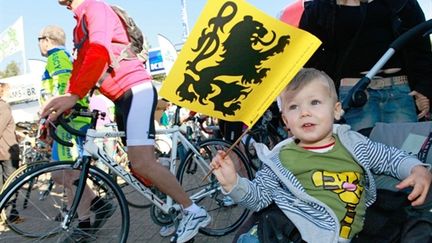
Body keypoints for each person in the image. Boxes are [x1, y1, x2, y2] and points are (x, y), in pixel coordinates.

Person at [41, 1, 210, 242]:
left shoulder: (94, 7)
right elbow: (80, 67)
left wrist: (74, 95)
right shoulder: (79, 22)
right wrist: (69, 100)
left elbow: (99, 51)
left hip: (136, 89)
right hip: (120, 97)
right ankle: (172, 205)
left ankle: (193, 211)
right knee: (138, 165)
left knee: (142, 162)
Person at [210, 68, 432, 243]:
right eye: (294, 107)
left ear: (336, 110)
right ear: (286, 121)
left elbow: (391, 158)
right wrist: (233, 183)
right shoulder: (279, 160)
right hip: (297, 232)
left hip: (352, 232)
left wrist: (416, 169)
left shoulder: (354, 144)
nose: (305, 112)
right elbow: (258, 198)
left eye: (315, 102)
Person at [297, 0, 432, 133]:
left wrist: (423, 88)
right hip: (355, 93)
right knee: (362, 152)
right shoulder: (319, 9)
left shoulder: (402, 3)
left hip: (400, 90)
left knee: (406, 150)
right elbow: (307, 54)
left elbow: (420, 45)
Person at [38, 24, 114, 237]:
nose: (39, 45)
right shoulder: (61, 56)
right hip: (71, 120)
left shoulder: (56, 57)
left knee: (64, 173)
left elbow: (63, 88)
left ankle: (91, 213)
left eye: (38, 40)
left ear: (46, 39)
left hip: (68, 121)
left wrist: (53, 116)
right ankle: (86, 220)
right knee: (67, 174)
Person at [0, 82, 19, 190]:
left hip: (6, 151)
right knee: (8, 185)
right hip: (5, 151)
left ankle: (9, 206)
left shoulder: (3, 106)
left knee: (9, 184)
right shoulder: (3, 106)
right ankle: (8, 206)